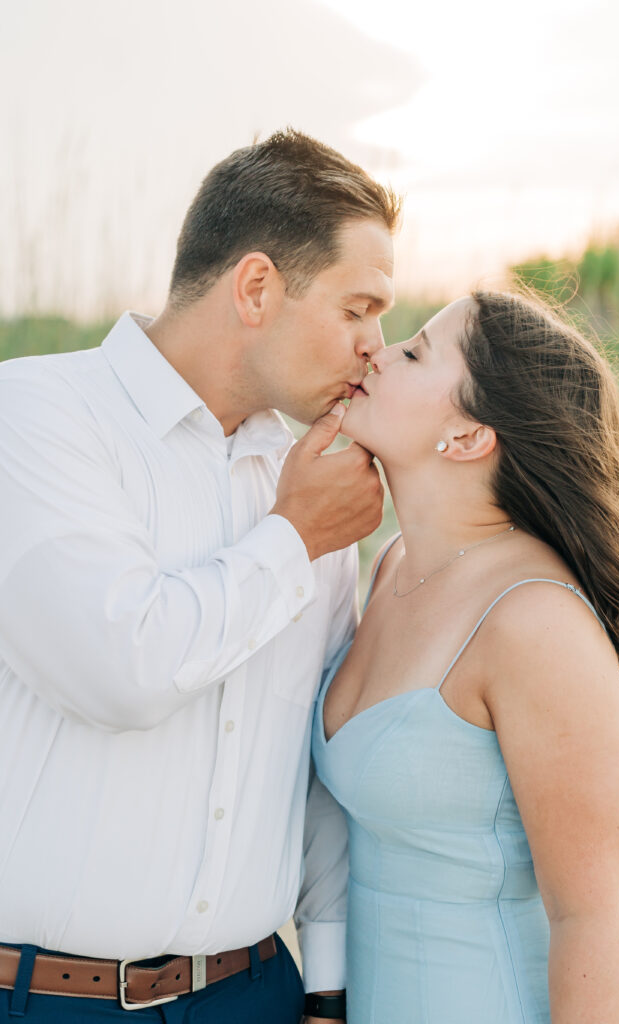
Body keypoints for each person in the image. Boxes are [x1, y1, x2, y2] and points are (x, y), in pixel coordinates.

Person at [0, 129, 400, 1023]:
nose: (376, 346)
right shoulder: (32, 416)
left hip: (256, 993)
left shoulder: (307, 482)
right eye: (356, 309)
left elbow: (317, 755)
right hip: (44, 1000)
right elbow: (118, 670)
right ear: (256, 287)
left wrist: (327, 985)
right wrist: (292, 539)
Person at [312, 290, 619, 1023]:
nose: (375, 353)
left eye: (414, 351)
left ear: (468, 436)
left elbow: (588, 917)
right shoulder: (392, 565)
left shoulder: (533, 619)